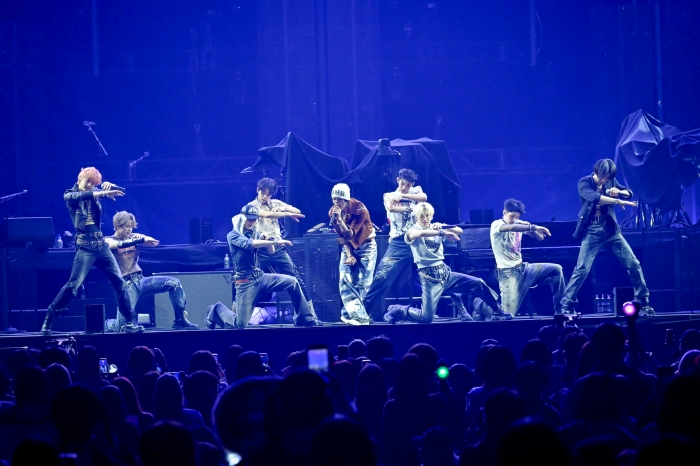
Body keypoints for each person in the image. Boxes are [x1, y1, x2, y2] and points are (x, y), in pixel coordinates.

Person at [41, 167, 143, 335]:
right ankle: (49, 317)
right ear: (80, 178)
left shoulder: (95, 194)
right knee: (73, 286)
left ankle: (130, 322)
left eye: (93, 183)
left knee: (119, 282)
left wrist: (109, 188)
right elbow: (81, 196)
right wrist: (101, 193)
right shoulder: (70, 194)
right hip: (85, 246)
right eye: (87, 181)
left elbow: (118, 191)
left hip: (100, 245)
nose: (89, 185)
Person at [560, 159, 653, 316]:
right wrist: (616, 200)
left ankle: (643, 302)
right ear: (596, 171)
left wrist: (619, 192)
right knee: (582, 269)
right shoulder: (584, 182)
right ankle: (567, 305)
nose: (604, 180)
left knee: (634, 264)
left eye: (607, 178)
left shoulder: (611, 182)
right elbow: (596, 197)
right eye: (602, 177)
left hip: (611, 230)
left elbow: (629, 193)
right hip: (592, 231)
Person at [384, 202, 502, 323]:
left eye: (427, 215)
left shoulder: (436, 227)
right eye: (421, 216)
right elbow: (419, 234)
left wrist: (443, 227)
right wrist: (442, 232)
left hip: (444, 273)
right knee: (426, 317)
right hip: (429, 277)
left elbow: (459, 230)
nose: (425, 218)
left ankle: (497, 310)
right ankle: (399, 309)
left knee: (478, 282)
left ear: (431, 216)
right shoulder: (412, 230)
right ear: (416, 217)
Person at [222, 204, 322, 328]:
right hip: (246, 283)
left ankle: (304, 318)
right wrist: (275, 241)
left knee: (292, 281)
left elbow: (271, 252)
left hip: (260, 278)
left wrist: (268, 239)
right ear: (242, 218)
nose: (252, 222)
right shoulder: (233, 235)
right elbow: (250, 244)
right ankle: (217, 310)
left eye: (254, 219)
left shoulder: (254, 232)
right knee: (240, 323)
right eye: (249, 219)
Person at [105, 211, 198, 330]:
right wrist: (138, 240)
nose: (130, 229)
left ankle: (180, 319)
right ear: (118, 226)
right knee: (121, 326)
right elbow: (117, 244)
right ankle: (108, 323)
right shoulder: (108, 240)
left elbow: (149, 241)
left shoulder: (133, 237)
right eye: (127, 226)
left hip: (142, 280)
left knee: (174, 283)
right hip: (127, 285)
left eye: (131, 227)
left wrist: (146, 239)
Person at [240, 178, 316, 313]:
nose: (265, 197)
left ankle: (309, 313)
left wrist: (283, 208)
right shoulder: (251, 206)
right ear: (257, 190)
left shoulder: (275, 203)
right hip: (260, 249)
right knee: (250, 281)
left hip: (277, 247)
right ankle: (239, 313)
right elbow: (267, 214)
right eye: (263, 193)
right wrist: (286, 214)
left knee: (295, 278)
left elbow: (297, 210)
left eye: (268, 194)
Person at [363, 168, 427, 321]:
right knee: (382, 277)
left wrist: (404, 195)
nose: (405, 187)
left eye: (408, 185)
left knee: (437, 272)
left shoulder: (416, 191)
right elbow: (391, 207)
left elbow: (424, 197)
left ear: (412, 184)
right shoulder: (389, 195)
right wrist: (412, 207)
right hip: (399, 243)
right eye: (403, 184)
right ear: (398, 180)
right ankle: (363, 311)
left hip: (419, 240)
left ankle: (459, 307)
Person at [490, 198, 565, 316]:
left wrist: (529, 226)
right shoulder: (497, 224)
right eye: (512, 216)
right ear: (504, 212)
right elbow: (511, 227)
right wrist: (533, 227)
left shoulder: (519, 224)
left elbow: (540, 238)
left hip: (524, 269)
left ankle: (560, 310)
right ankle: (480, 305)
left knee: (556, 269)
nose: (514, 220)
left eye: (517, 217)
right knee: (508, 314)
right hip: (508, 273)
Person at [329, 183, 377, 325]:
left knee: (363, 282)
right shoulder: (332, 213)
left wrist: (339, 220)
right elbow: (343, 238)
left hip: (367, 246)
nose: (336, 202)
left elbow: (350, 234)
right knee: (344, 278)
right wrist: (349, 255)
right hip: (349, 247)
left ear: (346, 199)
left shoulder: (360, 209)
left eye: (339, 199)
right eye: (334, 199)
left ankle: (350, 314)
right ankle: (358, 317)